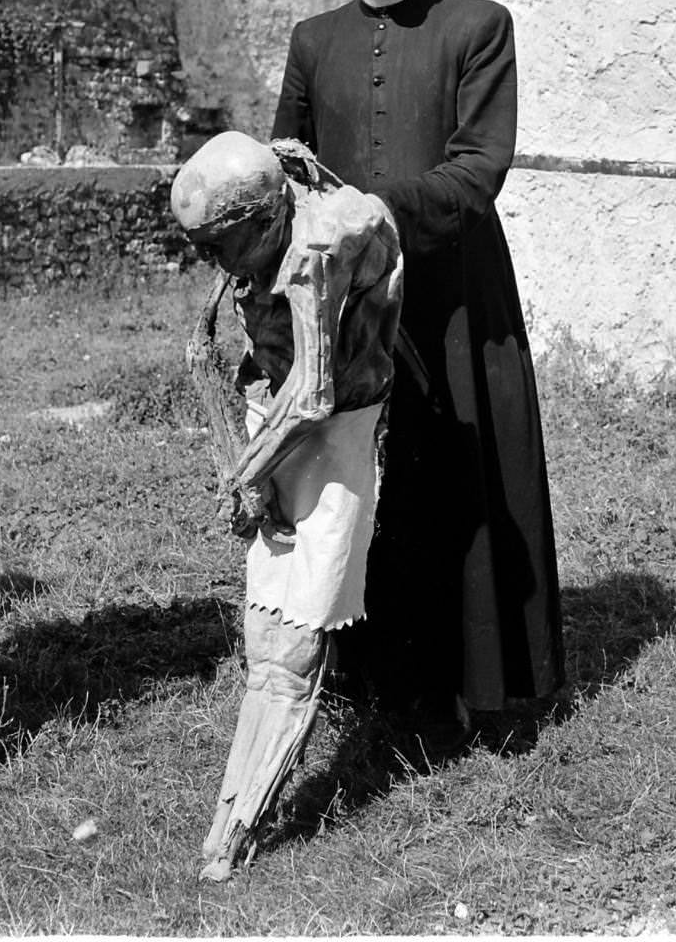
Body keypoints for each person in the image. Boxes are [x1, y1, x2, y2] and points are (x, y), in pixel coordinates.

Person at [271, 0, 564, 737]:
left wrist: (371, 208)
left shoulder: (480, 26)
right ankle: (371, 679)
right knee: (352, 482)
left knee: (462, 482)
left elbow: (478, 170)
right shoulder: (313, 41)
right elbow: (289, 167)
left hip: (455, 295)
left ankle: (482, 686)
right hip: (350, 304)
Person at [170, 130, 402, 881]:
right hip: (274, 417)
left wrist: (241, 478)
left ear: (263, 219)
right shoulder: (255, 222)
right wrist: (244, 462)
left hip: (334, 433)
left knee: (292, 651)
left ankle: (233, 834)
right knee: (262, 635)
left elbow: (316, 393)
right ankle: (231, 817)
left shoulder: (317, 249)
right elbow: (213, 347)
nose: (212, 261)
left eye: (218, 244)